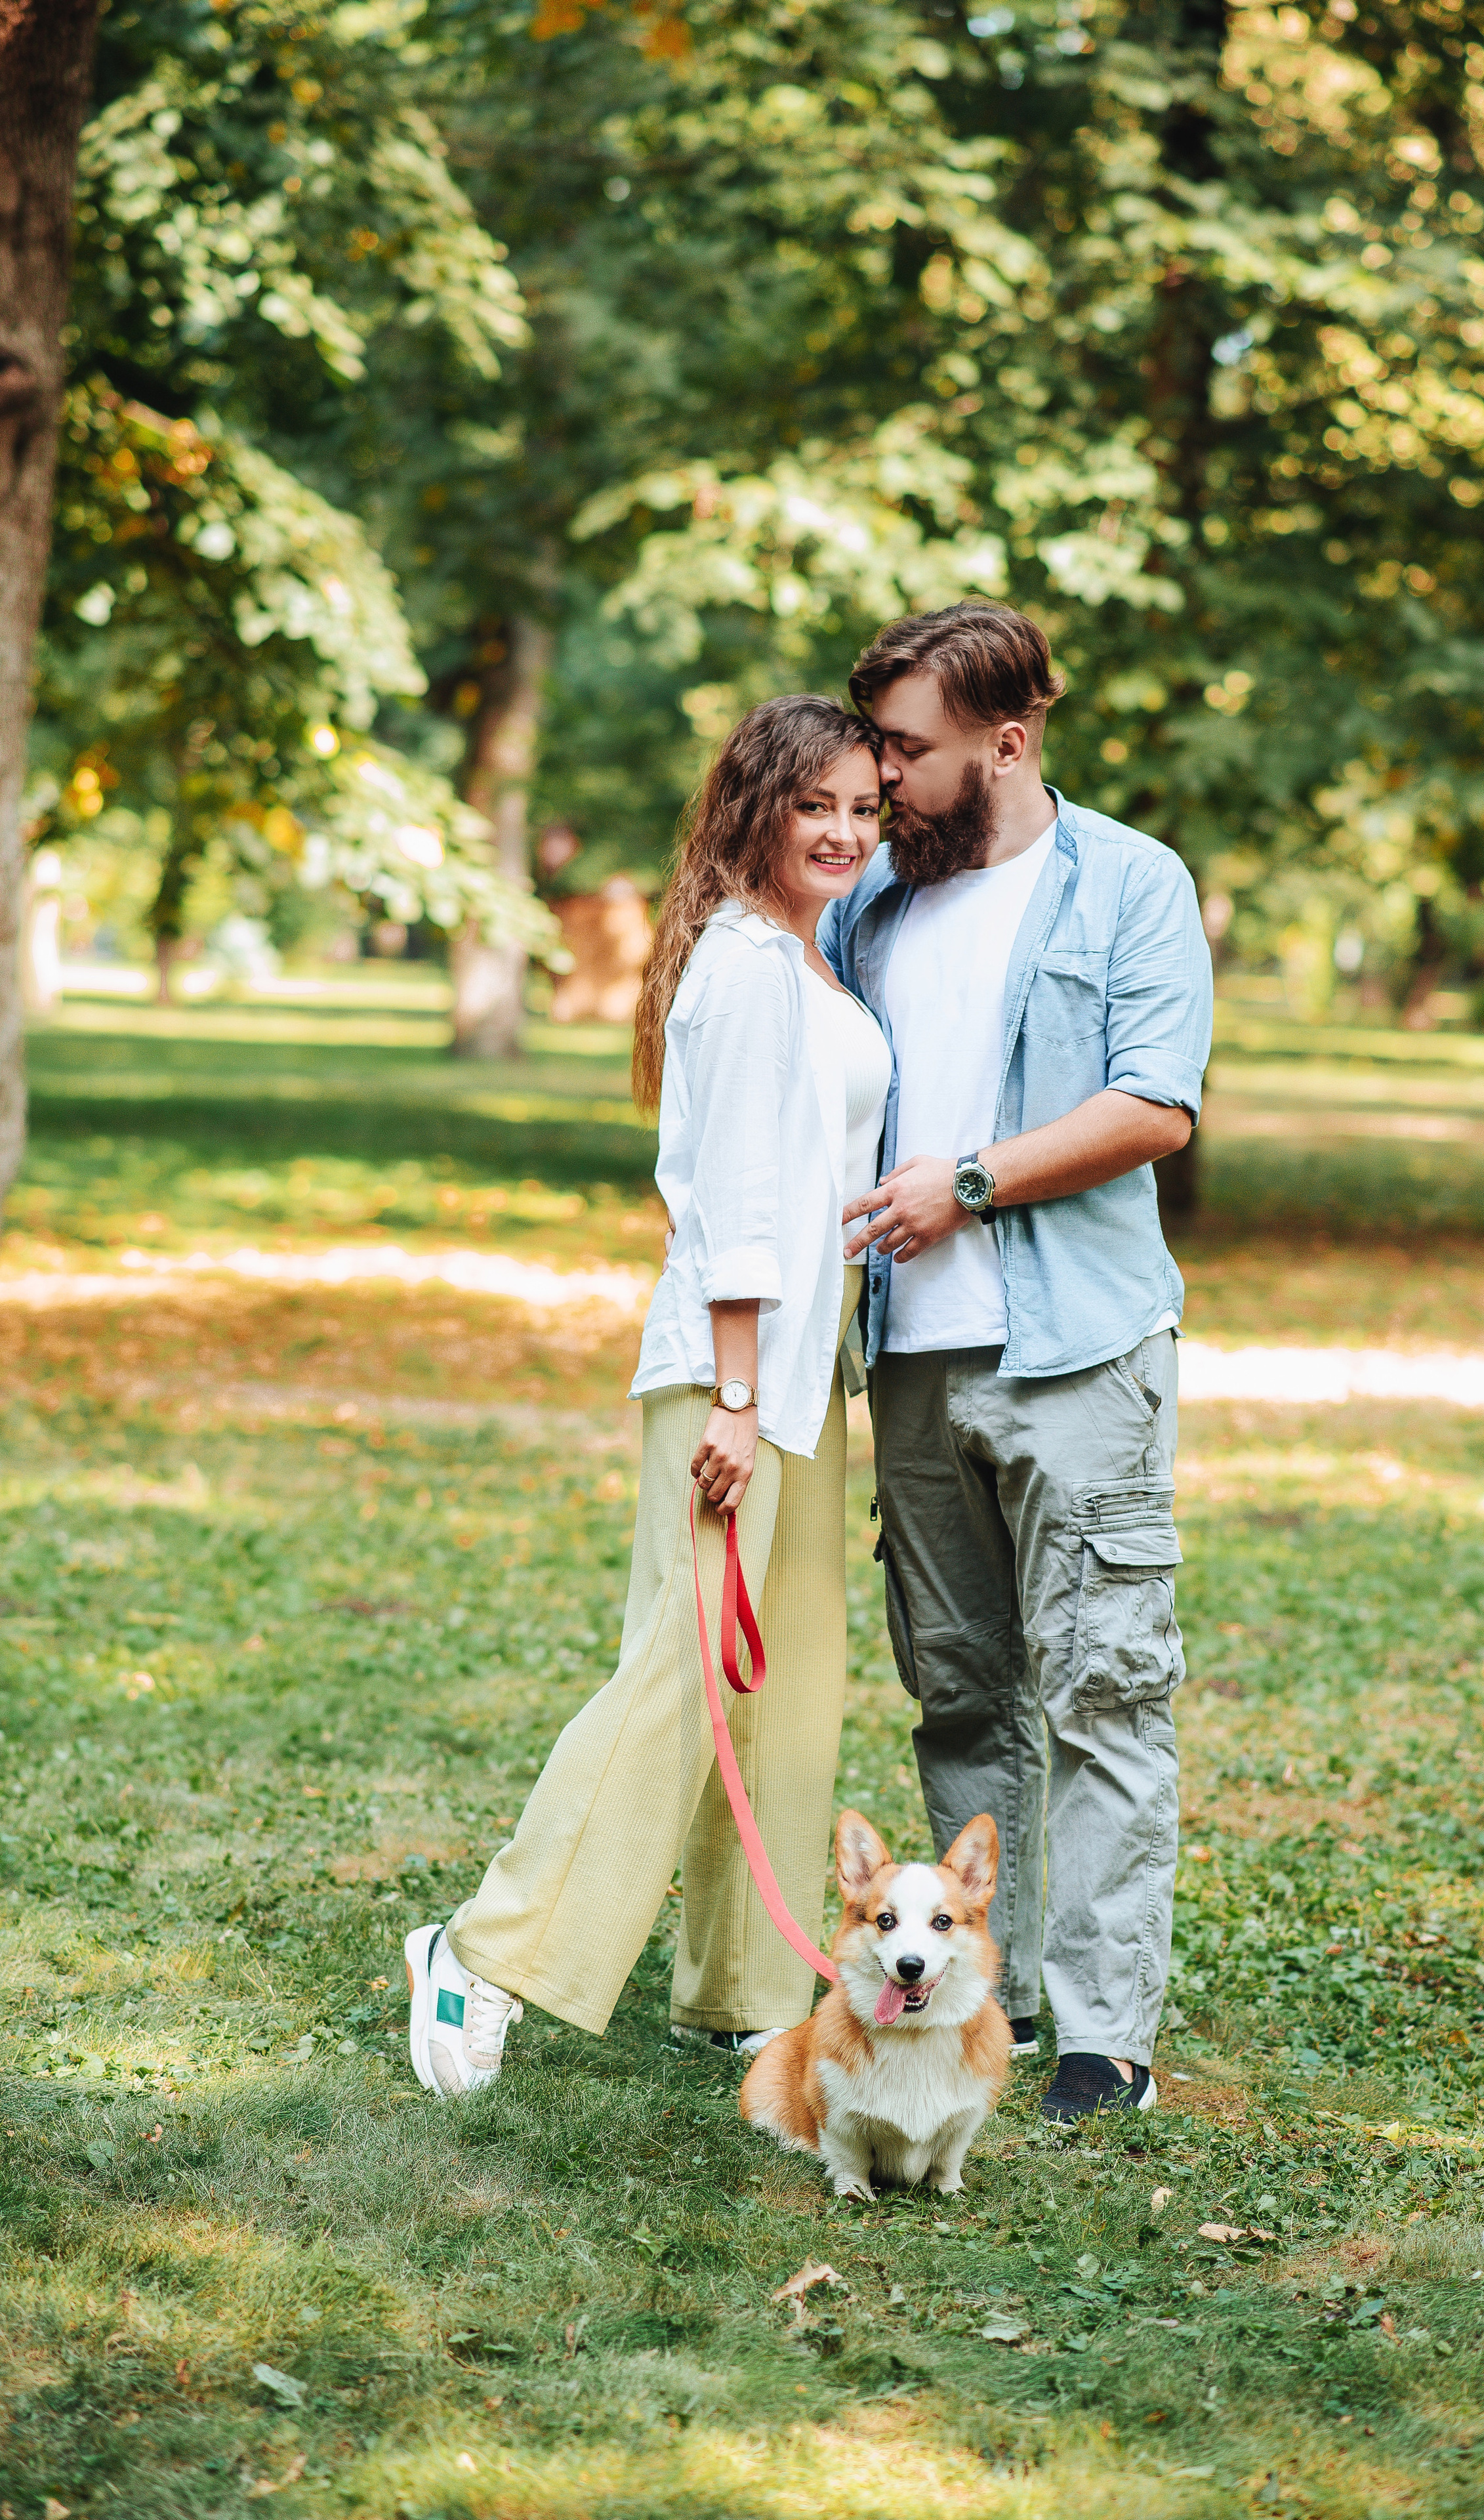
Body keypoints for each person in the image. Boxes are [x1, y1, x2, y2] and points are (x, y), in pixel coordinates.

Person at [405, 696, 890, 2093]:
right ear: (756, 808)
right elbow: (732, 1197)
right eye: (818, 808)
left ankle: (740, 1994)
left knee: (785, 1689)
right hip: (731, 1376)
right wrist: (734, 1393)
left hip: (801, 1375)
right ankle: (482, 1954)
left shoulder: (803, 965)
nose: (845, 833)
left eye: (862, 808)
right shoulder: (741, 967)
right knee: (681, 1675)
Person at [823, 602, 1214, 2124]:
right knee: (962, 1700)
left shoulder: (1124, 882)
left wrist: (965, 1182)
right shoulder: (871, 902)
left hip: (1075, 1354)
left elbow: (1151, 1108)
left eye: (907, 753)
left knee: (1102, 1694)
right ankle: (997, 1999)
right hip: (907, 1366)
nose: (883, 783)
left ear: (1007, 736)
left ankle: (1104, 2040)